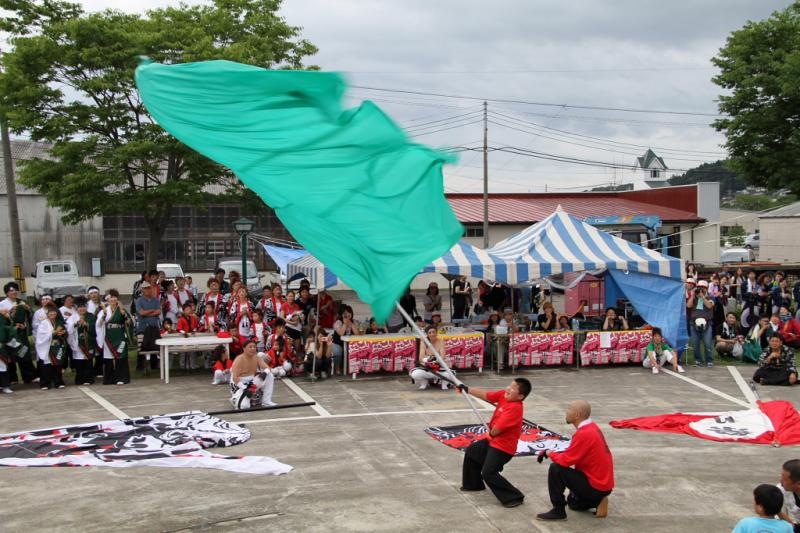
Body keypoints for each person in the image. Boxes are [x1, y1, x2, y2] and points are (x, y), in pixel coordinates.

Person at [536, 400, 614, 521]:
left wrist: (549, 453)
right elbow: (573, 453)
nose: (566, 412)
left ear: (577, 415)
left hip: (596, 485)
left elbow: (565, 461)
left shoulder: (584, 434)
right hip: (602, 484)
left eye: (569, 409)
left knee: (556, 468)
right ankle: (598, 500)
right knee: (572, 503)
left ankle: (558, 511)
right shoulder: (591, 427)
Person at [459, 378, 531, 508]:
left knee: (488, 472)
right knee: (472, 451)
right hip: (493, 439)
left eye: (513, 388)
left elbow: (499, 427)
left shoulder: (515, 408)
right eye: (510, 385)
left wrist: (491, 434)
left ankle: (514, 496)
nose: (508, 388)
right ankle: (473, 485)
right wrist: (467, 389)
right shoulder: (505, 395)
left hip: (503, 447)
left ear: (520, 396)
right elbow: (487, 395)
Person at [0, 281, 36, 384]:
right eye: (11, 290)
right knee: (10, 356)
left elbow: (30, 316)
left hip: (21, 333)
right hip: (9, 334)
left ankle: (29, 376)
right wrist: (10, 312)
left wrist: (28, 309)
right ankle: (12, 378)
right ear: (7, 293)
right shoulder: (2, 304)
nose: (14, 292)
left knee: (24, 353)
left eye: (15, 290)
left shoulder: (22, 302)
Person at [96, 289, 133, 385]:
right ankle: (109, 379)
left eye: (114, 297)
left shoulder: (121, 309)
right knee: (108, 357)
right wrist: (104, 314)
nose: (113, 299)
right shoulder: (104, 310)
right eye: (111, 298)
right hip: (108, 336)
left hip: (120, 335)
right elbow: (99, 324)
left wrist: (123, 314)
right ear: (108, 300)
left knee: (121, 355)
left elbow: (129, 322)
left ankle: (121, 378)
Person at [229, 339, 275, 409]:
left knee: (269, 375)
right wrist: (245, 389)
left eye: (254, 347)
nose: (253, 349)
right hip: (239, 385)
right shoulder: (239, 359)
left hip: (251, 382)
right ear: (244, 349)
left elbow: (267, 368)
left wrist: (265, 373)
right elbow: (235, 378)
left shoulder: (257, 358)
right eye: (250, 347)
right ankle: (235, 399)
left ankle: (266, 401)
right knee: (244, 406)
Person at [410, 325, 454, 390]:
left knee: (450, 375)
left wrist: (436, 361)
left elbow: (443, 356)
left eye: (433, 332)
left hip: (439, 367)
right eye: (430, 333)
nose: (432, 334)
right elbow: (421, 358)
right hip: (427, 368)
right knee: (415, 374)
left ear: (436, 333)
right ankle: (424, 382)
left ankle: (444, 384)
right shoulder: (424, 342)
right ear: (427, 334)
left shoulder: (441, 341)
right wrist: (428, 360)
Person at [35, 303, 67, 390]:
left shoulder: (59, 322)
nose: (52, 314)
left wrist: (63, 333)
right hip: (47, 347)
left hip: (57, 347)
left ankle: (58, 382)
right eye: (50, 312)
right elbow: (41, 335)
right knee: (47, 366)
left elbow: (65, 333)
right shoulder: (44, 323)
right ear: (47, 314)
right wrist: (52, 333)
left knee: (58, 365)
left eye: (54, 312)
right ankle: (45, 383)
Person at [66, 296, 97, 385]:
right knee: (79, 361)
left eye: (83, 307)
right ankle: (79, 379)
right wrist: (76, 324)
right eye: (80, 307)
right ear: (76, 308)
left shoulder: (90, 316)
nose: (82, 309)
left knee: (88, 361)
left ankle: (88, 379)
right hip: (77, 342)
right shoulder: (73, 317)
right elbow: (69, 328)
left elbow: (94, 327)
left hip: (88, 342)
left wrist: (86, 324)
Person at [135, 281, 162, 371]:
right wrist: (152, 311)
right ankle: (140, 366)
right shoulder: (139, 301)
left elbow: (158, 311)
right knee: (142, 347)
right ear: (142, 290)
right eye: (145, 288)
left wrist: (147, 313)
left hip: (154, 327)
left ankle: (154, 365)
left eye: (149, 288)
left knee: (155, 345)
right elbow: (141, 313)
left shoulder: (156, 300)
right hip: (143, 328)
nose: (147, 290)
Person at [688, 280, 715, 367]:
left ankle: (709, 360)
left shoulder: (711, 296)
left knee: (707, 343)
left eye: (703, 288)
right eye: (699, 288)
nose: (701, 290)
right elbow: (688, 306)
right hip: (694, 322)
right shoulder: (694, 297)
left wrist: (703, 297)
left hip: (707, 323)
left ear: (706, 288)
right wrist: (693, 295)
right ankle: (698, 360)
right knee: (695, 344)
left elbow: (709, 306)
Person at [332, 305, 358, 373]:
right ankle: (337, 367)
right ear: (342, 314)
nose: (348, 315)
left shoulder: (353, 321)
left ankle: (352, 367)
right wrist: (345, 323)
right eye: (345, 313)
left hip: (349, 343)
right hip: (338, 343)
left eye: (349, 312)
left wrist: (351, 324)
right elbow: (341, 333)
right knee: (338, 350)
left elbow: (357, 333)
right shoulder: (338, 322)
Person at [778, 459, 800, 531]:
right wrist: (775, 510)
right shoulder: (781, 490)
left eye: (784, 479)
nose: (780, 480)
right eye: (781, 476)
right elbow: (782, 523)